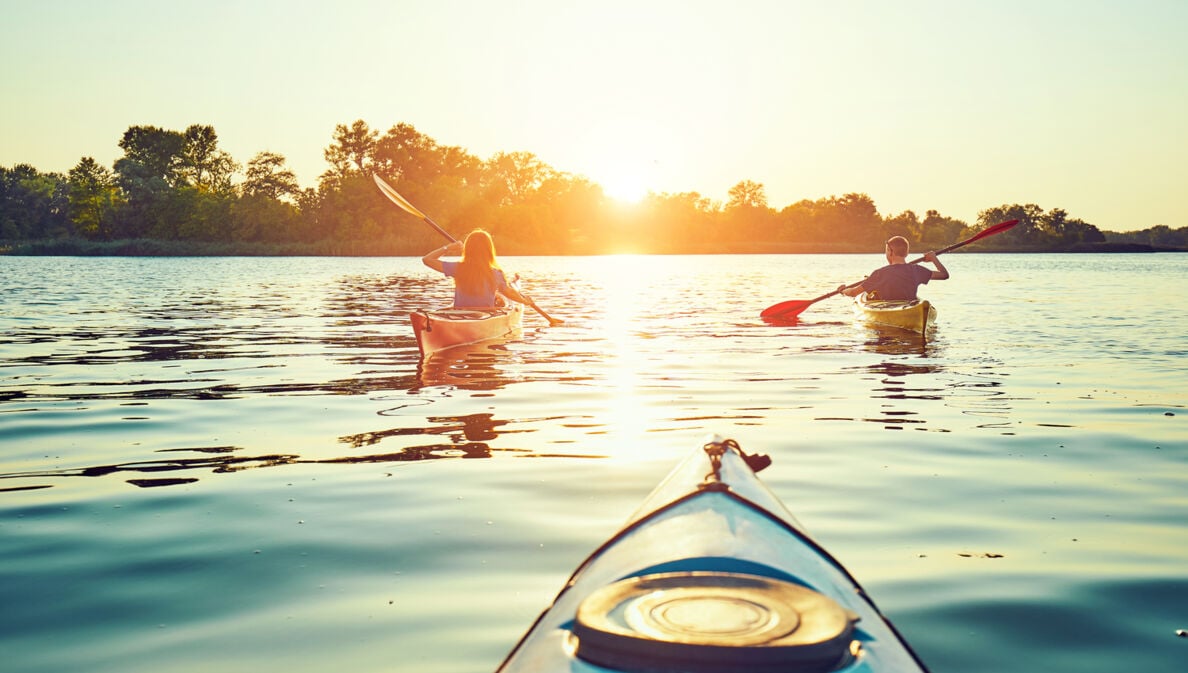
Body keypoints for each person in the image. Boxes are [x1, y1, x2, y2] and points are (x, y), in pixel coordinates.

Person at [422, 228, 529, 308]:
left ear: (468, 249)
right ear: (488, 250)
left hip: (461, 314)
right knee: (499, 300)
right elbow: (509, 292)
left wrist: (448, 248)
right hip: (486, 314)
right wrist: (525, 301)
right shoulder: (496, 274)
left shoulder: (457, 268)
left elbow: (427, 259)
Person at [838, 236, 949, 300]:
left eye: (886, 251)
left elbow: (853, 293)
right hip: (908, 306)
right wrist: (934, 258)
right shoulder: (917, 270)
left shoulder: (879, 274)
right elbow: (944, 275)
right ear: (906, 253)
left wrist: (843, 291)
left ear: (890, 252)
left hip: (890, 308)